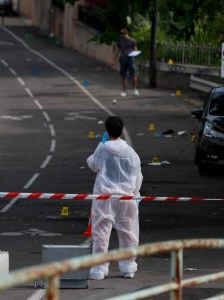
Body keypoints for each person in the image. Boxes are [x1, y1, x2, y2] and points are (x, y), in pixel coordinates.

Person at [86, 116, 143, 280]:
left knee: (101, 233)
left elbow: (93, 164)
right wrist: (135, 194)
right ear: (121, 130)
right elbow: (137, 176)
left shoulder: (103, 149)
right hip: (126, 198)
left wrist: (100, 145)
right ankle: (128, 267)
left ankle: (99, 269)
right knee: (128, 234)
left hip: (105, 197)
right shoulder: (131, 153)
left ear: (107, 130)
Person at [115, 28, 139, 97]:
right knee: (123, 76)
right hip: (123, 60)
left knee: (133, 75)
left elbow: (135, 50)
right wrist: (113, 59)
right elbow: (117, 50)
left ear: (126, 34)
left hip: (130, 60)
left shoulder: (132, 41)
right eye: (121, 34)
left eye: (123, 34)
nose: (122, 36)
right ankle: (124, 91)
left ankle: (135, 89)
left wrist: (132, 54)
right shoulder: (120, 41)